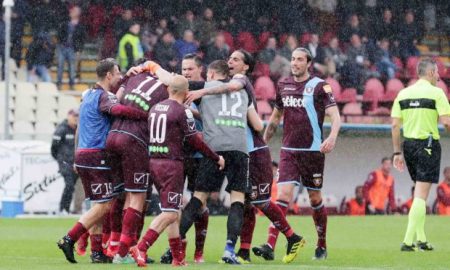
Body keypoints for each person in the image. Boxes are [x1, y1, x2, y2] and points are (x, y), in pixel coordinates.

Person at [185, 50, 305, 264]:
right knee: (246, 203)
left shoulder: (240, 82)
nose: (230, 61)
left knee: (260, 200)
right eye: (229, 58)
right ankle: (244, 251)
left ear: (246, 67)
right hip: (243, 150)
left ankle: (292, 237)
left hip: (254, 151)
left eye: (236, 59)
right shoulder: (234, 91)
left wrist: (203, 92)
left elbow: (255, 121)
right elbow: (257, 123)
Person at [57, 58, 148, 264]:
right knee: (105, 205)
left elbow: (80, 127)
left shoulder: (88, 94)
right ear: (108, 75)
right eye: (117, 73)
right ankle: (69, 238)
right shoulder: (105, 97)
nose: (119, 76)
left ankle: (97, 252)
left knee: (98, 203)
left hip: (82, 155)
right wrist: (144, 115)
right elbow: (117, 109)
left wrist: (75, 154)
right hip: (97, 155)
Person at [129, 74, 225, 267]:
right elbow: (194, 140)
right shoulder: (182, 111)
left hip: (154, 161)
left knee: (170, 209)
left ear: (168, 90)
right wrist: (215, 157)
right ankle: (141, 247)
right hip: (171, 165)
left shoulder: (155, 107)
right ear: (186, 93)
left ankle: (177, 258)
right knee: (171, 213)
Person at [260, 47, 341, 260]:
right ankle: (270, 245)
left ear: (308, 63)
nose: (294, 63)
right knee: (282, 195)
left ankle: (321, 245)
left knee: (315, 199)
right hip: (288, 151)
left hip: (312, 152)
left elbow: (335, 115)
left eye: (299, 60)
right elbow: (276, 118)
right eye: (293, 59)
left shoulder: (320, 86)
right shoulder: (283, 85)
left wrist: (331, 137)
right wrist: (262, 143)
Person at [106, 62, 169, 264]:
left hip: (113, 136)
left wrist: (126, 76)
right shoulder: (168, 90)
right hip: (135, 141)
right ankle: (123, 254)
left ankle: (113, 245)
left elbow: (116, 99)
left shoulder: (135, 78)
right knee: (137, 198)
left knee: (119, 194)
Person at [391, 58, 450, 251]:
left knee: (419, 192)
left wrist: (397, 152)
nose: (440, 76)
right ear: (431, 73)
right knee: (421, 196)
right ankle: (408, 241)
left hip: (408, 146)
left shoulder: (403, 93)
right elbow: (447, 122)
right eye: (438, 73)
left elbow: (394, 126)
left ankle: (421, 239)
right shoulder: (437, 93)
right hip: (428, 146)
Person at [51, 109, 79, 215]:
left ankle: (66, 210)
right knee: (69, 185)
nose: (76, 118)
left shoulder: (78, 129)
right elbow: (54, 147)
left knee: (71, 187)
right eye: (74, 116)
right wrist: (60, 159)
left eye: (77, 116)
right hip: (64, 162)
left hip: (75, 163)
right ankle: (62, 209)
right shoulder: (61, 129)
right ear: (68, 116)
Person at [56, 5, 86, 89]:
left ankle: (71, 84)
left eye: (74, 11)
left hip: (72, 48)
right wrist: (60, 43)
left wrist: (79, 50)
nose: (71, 12)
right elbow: (59, 33)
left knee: (72, 67)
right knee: (60, 66)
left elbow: (82, 40)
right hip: (62, 47)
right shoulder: (65, 23)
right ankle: (59, 84)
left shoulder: (80, 26)